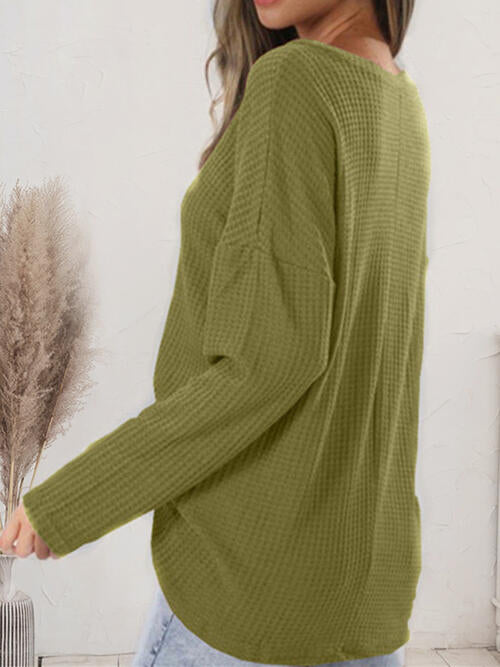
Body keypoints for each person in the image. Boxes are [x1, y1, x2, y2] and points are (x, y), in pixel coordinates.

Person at [0, 0, 431, 665]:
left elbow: (267, 365)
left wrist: (73, 500)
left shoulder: (296, 82)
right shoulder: (401, 103)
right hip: (361, 599)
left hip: (250, 598)